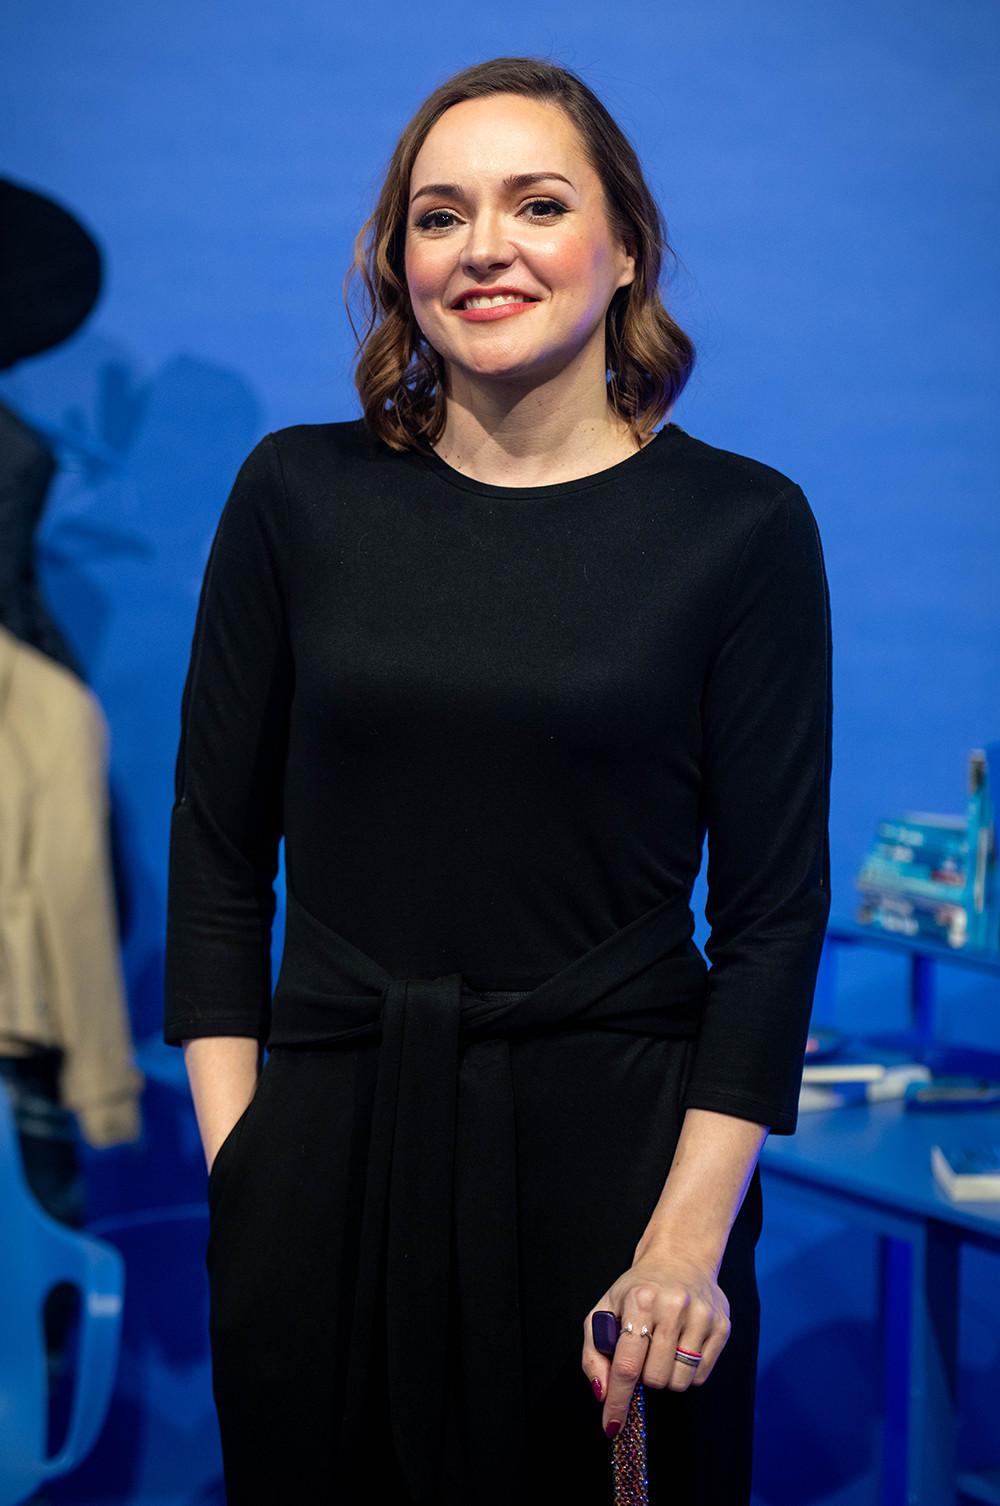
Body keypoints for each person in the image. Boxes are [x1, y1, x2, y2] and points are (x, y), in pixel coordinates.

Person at [163, 55, 832, 1506]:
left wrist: (682, 1246)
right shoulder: (296, 496)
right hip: (328, 1170)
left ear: (627, 243)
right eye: (438, 215)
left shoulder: (742, 528)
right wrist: (249, 1174)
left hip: (625, 1181)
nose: (485, 249)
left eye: (537, 203)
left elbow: (774, 922)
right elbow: (218, 860)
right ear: (398, 262)